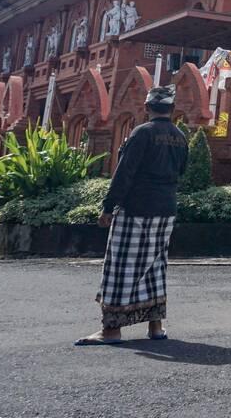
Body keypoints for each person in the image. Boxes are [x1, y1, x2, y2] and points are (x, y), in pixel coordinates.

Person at [76, 85, 188, 346]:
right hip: (166, 209)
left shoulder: (142, 133)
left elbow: (124, 172)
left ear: (147, 108)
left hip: (137, 207)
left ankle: (111, 330)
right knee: (155, 266)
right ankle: (155, 326)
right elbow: (182, 170)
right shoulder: (180, 136)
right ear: (172, 109)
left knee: (120, 267)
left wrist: (107, 207)